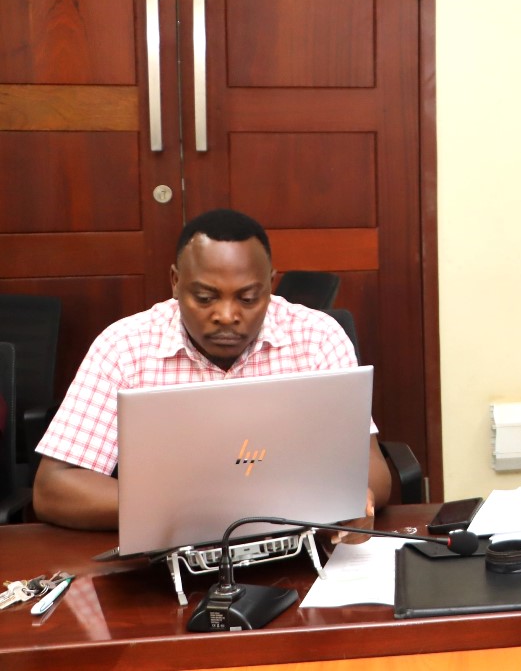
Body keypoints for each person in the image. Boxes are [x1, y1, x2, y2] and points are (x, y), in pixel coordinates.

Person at [33, 208, 392, 530]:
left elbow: (371, 465)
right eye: (205, 298)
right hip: (169, 559)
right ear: (175, 282)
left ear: (270, 284)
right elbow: (55, 487)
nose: (226, 315)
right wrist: (182, 511)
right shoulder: (125, 346)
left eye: (248, 298)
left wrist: (356, 496)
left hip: (300, 551)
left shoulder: (317, 338)